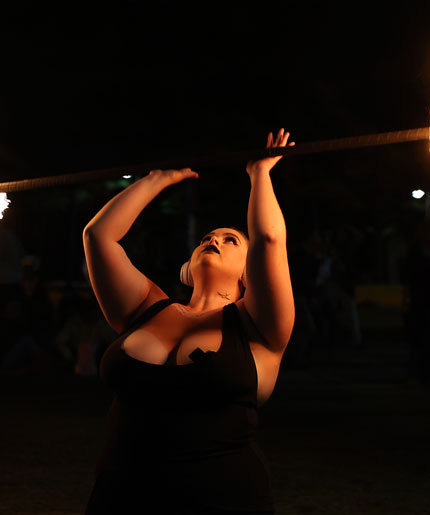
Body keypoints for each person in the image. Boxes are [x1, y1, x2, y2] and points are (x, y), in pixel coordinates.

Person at [82, 129, 295, 514]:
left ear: (250, 274)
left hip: (222, 498)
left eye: (230, 240)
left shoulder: (257, 325)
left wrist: (259, 172)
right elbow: (99, 236)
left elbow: (268, 239)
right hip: (123, 495)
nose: (212, 240)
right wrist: (156, 180)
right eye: (207, 237)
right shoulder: (147, 307)